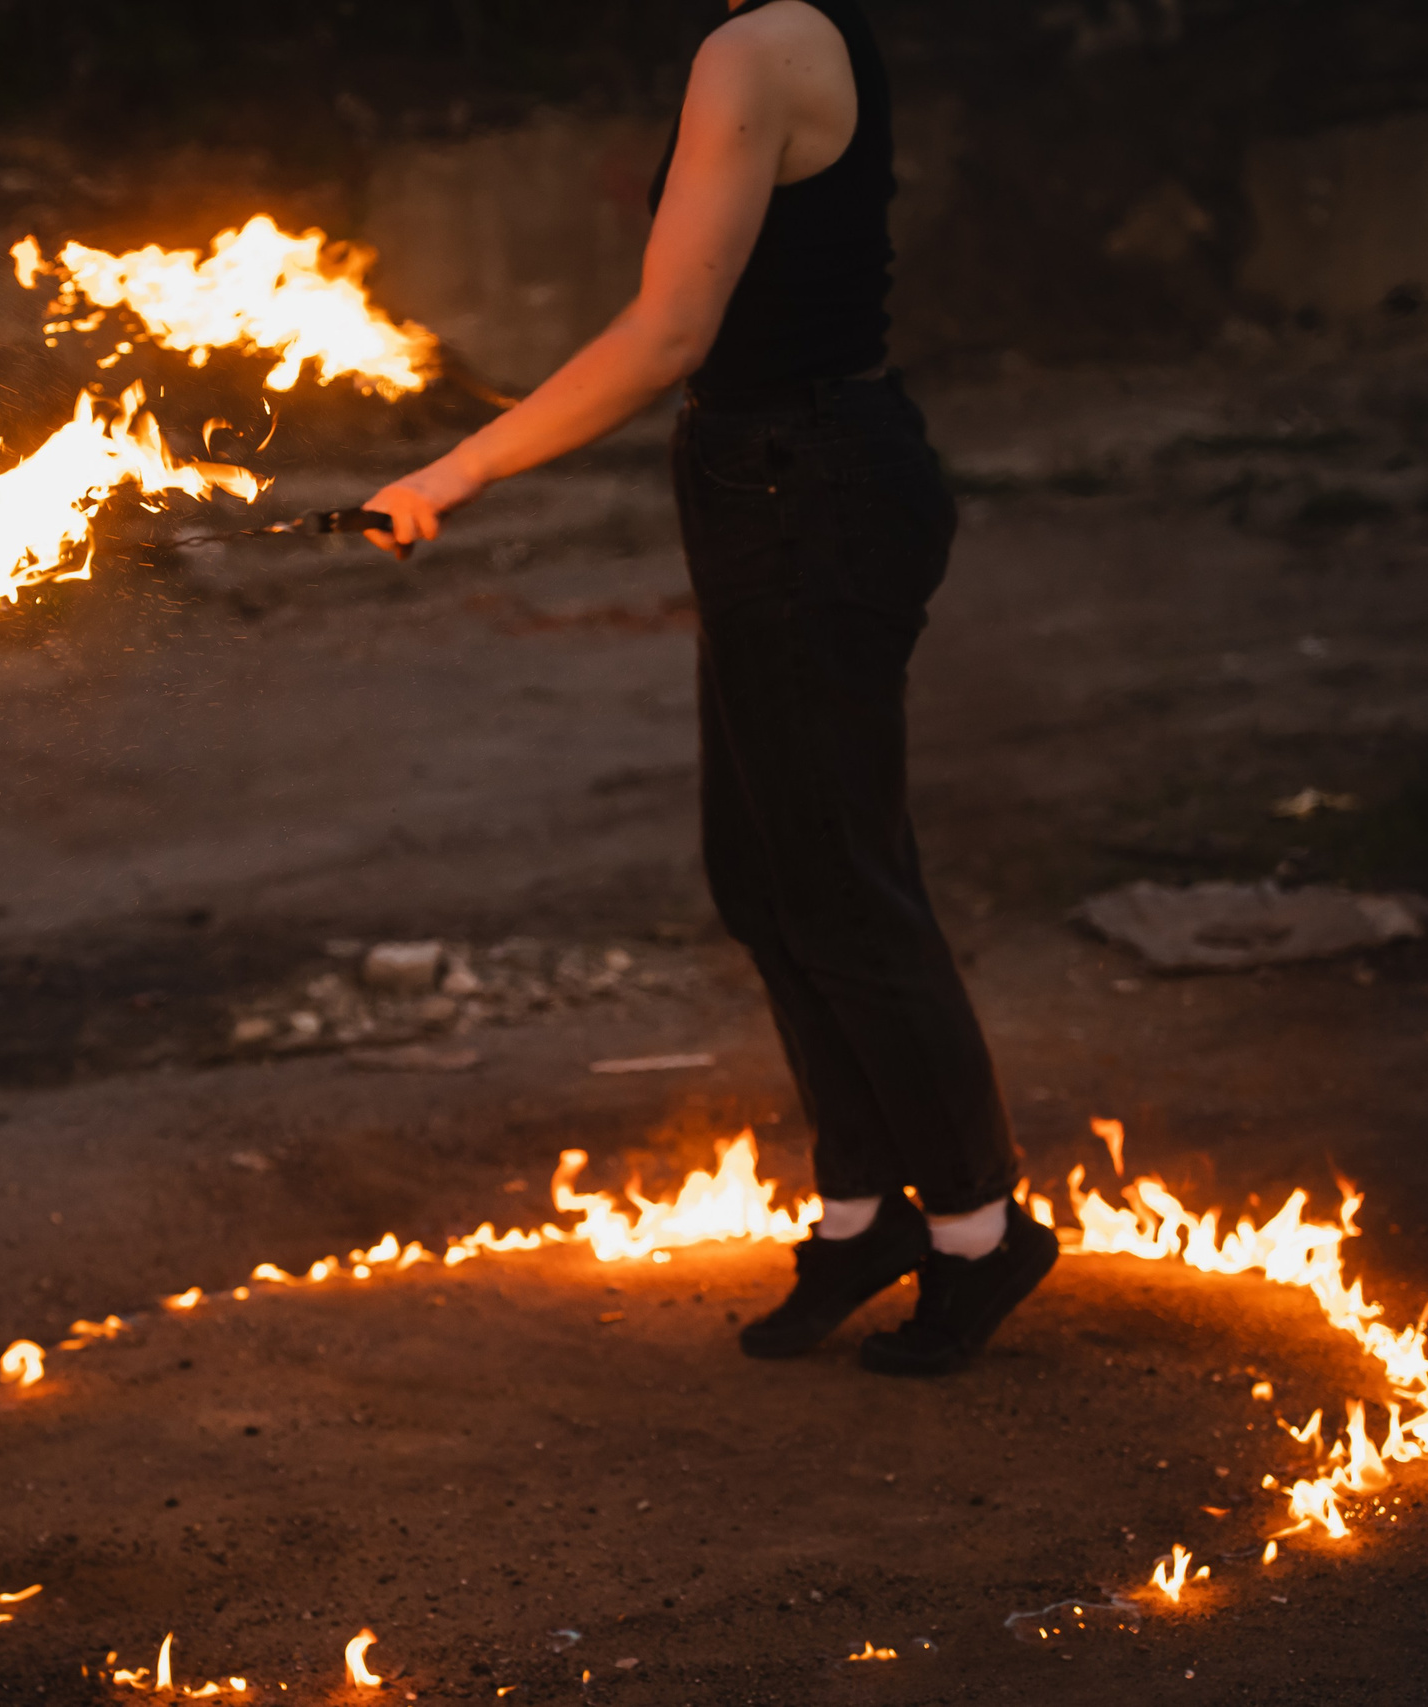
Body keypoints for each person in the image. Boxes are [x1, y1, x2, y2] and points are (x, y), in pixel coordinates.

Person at [361, 0, 1056, 1376]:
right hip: (775, 482)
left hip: (810, 491)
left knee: (840, 881)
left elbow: (674, 328)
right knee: (768, 877)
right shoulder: (774, 33)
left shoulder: (759, 48)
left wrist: (457, 469)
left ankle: (981, 1231)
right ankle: (864, 1216)